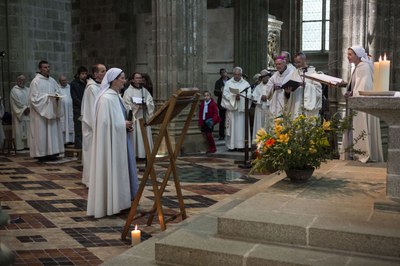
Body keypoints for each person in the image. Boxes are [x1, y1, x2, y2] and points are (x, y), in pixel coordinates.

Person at [87, 68, 138, 218]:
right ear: (114, 80)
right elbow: (103, 125)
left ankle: (121, 202)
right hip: (111, 145)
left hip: (120, 141)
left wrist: (126, 124)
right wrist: (123, 124)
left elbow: (117, 118)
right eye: (122, 78)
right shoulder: (106, 99)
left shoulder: (117, 96)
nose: (124, 80)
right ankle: (113, 203)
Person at [340, 46, 383, 163]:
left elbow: (365, 87)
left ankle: (361, 153)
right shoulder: (358, 67)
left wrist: (352, 93)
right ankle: (354, 153)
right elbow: (356, 85)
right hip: (355, 102)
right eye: (347, 54)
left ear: (357, 55)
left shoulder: (363, 67)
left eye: (350, 54)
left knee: (360, 128)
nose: (347, 57)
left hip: (360, 105)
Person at [28, 60, 64, 162]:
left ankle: (53, 152)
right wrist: (47, 98)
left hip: (52, 111)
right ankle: (42, 154)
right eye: (45, 67)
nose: (47, 69)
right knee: (42, 133)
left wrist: (56, 97)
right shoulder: (36, 81)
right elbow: (33, 98)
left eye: (48, 67)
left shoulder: (52, 81)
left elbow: (57, 92)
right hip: (41, 114)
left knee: (52, 132)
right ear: (40, 69)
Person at [81, 64, 106, 187]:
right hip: (92, 128)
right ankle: (90, 180)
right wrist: (98, 127)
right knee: (91, 153)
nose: (105, 73)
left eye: (105, 71)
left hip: (100, 126)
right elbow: (91, 111)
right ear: (95, 74)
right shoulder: (92, 88)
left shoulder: (102, 86)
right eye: (102, 71)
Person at [122, 72, 155, 159]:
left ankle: (145, 154)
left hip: (143, 117)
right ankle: (136, 154)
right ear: (133, 80)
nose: (139, 79)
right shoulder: (128, 92)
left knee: (144, 137)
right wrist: (136, 107)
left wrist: (146, 105)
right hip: (135, 118)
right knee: (136, 136)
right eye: (137, 78)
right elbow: (126, 105)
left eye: (140, 78)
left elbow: (150, 101)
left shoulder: (144, 91)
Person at [285, 52, 323, 119]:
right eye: (295, 62)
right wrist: (288, 92)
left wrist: (306, 85)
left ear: (304, 60)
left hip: (307, 109)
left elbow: (318, 91)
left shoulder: (313, 73)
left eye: (298, 62)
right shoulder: (294, 73)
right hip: (296, 106)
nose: (296, 65)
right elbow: (290, 93)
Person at [221, 66, 251, 151]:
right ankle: (232, 146)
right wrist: (233, 97)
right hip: (232, 110)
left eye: (239, 74)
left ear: (241, 74)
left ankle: (242, 146)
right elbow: (225, 95)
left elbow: (249, 95)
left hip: (242, 111)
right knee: (232, 128)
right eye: (235, 74)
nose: (237, 76)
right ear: (233, 74)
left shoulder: (245, 83)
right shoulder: (228, 83)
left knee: (242, 129)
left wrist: (241, 97)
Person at [10, 74, 30, 150]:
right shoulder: (14, 90)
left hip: (28, 113)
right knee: (20, 130)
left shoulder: (28, 89)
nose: (22, 81)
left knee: (28, 129)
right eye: (21, 79)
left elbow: (31, 100)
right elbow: (16, 102)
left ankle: (27, 145)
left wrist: (29, 108)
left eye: (24, 79)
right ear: (17, 80)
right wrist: (24, 109)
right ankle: (20, 146)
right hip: (19, 113)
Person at [251, 69, 272, 142]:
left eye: (265, 76)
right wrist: (260, 98)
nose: (263, 78)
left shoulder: (272, 85)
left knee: (269, 126)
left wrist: (268, 99)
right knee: (260, 126)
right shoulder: (258, 87)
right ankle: (259, 142)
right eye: (262, 77)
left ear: (268, 76)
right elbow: (253, 97)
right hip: (260, 109)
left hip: (269, 109)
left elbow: (276, 97)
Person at [70, 66, 88, 148]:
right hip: (78, 109)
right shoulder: (74, 84)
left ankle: (85, 144)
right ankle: (78, 146)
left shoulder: (86, 83)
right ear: (78, 74)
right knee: (78, 128)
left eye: (85, 74)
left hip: (85, 109)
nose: (84, 75)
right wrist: (83, 104)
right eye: (82, 74)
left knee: (85, 127)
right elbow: (74, 97)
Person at [58, 75, 74, 145]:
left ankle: (71, 140)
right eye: (62, 81)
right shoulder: (57, 88)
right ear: (59, 81)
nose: (64, 82)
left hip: (70, 109)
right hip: (62, 110)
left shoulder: (70, 87)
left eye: (65, 80)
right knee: (63, 124)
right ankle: (63, 141)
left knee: (70, 123)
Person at [214, 68, 229, 140]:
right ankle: (221, 135)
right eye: (222, 73)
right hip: (221, 103)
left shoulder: (231, 81)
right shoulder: (218, 82)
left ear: (227, 73)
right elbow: (215, 92)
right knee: (222, 120)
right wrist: (221, 92)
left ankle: (230, 134)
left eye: (224, 72)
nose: (223, 74)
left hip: (230, 102)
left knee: (230, 119)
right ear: (220, 74)